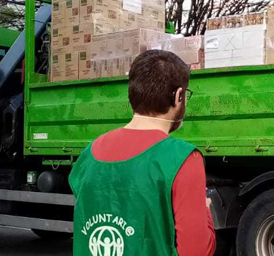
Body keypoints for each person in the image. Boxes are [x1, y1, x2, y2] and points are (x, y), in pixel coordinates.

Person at [68, 50, 215, 255]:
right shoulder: (182, 158)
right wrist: (205, 211)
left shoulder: (89, 154)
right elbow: (196, 250)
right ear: (179, 96)